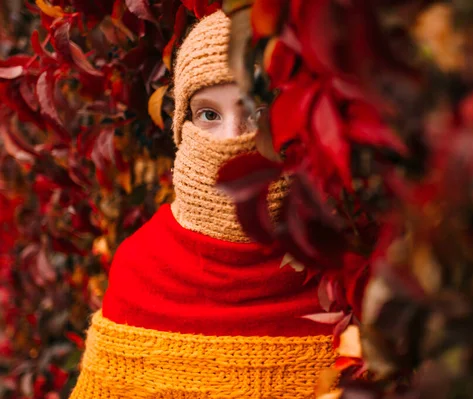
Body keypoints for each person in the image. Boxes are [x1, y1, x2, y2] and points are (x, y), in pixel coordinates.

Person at [70, 10, 337, 399]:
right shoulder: (140, 268)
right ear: (183, 125)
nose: (232, 140)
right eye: (209, 114)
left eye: (257, 113)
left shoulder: (345, 272)